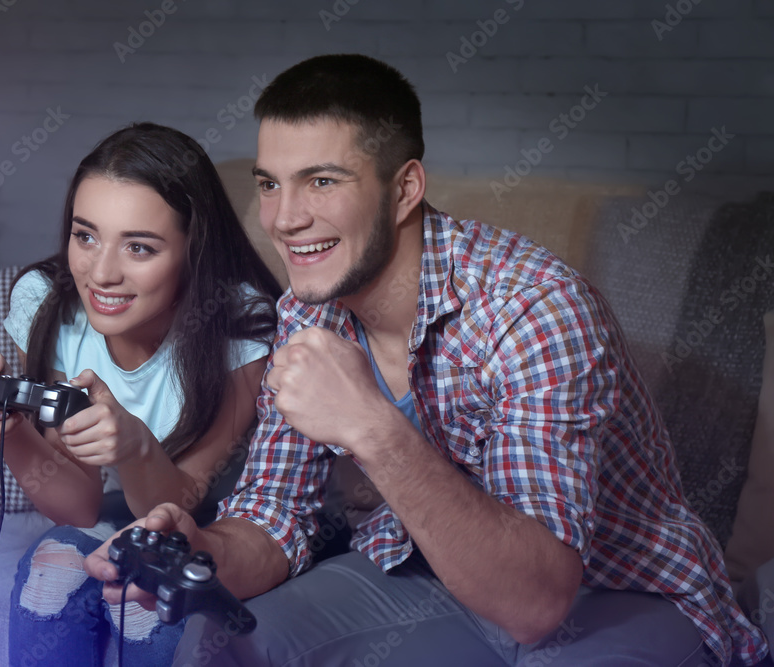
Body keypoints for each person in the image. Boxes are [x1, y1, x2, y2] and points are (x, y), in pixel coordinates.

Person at [83, 55, 771, 666]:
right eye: (269, 184)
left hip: (616, 592)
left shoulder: (535, 309)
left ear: (405, 189)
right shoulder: (307, 312)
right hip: (429, 575)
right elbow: (273, 515)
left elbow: (537, 601)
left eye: (321, 181)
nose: (284, 217)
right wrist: (199, 550)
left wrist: (374, 427)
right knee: (221, 639)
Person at [0, 122, 283, 667]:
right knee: (49, 577)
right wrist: (10, 435)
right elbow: (78, 506)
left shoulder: (240, 328)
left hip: (226, 517)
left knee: (148, 603)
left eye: (140, 247)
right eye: (86, 236)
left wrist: (134, 446)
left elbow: (178, 503)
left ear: (192, 252)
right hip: (120, 506)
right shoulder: (49, 304)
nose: (100, 273)